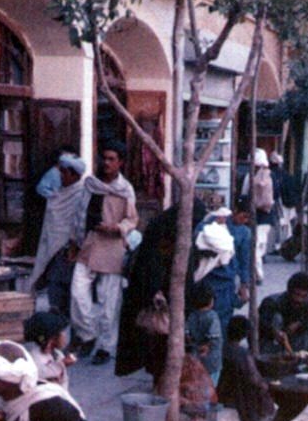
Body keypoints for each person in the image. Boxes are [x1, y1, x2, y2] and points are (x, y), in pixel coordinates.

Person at [115, 199, 207, 384]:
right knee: (158, 336)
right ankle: (160, 377)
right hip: (156, 292)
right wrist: (159, 291)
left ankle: (160, 374)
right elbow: (154, 263)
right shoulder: (164, 229)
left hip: (165, 289)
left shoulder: (172, 226)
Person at [69, 141, 138, 365]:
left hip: (112, 247)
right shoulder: (91, 184)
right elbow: (79, 214)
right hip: (89, 243)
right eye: (104, 158)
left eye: (111, 159)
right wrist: (74, 241)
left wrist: (117, 228)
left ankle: (106, 347)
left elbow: (132, 219)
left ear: (120, 163)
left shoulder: (125, 189)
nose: (106, 163)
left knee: (109, 304)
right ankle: (88, 334)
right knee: (78, 293)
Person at [27, 154, 86, 314]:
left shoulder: (82, 193)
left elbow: (80, 223)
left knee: (65, 289)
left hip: (68, 251)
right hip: (52, 247)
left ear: (74, 175)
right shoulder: (60, 193)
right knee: (53, 288)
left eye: (64, 173)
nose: (61, 177)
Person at [216, 315, 276, 421]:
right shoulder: (243, 353)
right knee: (265, 400)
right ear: (244, 335)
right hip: (240, 396)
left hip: (224, 392)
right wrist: (265, 385)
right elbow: (254, 378)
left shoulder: (223, 348)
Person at [195, 199, 251, 338]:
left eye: (248, 218)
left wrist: (244, 285)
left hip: (227, 283)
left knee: (222, 323)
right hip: (208, 278)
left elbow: (245, 261)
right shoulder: (212, 223)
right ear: (235, 210)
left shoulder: (245, 233)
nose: (244, 220)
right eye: (243, 216)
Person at [258, 272, 308, 369]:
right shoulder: (271, 302)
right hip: (270, 347)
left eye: (304, 296)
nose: (300, 299)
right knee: (278, 318)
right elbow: (261, 326)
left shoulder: (304, 302)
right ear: (289, 292)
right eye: (297, 294)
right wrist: (275, 332)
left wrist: (298, 324)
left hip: (292, 345)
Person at [241, 148, 274, 282]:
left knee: (254, 249)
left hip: (256, 217)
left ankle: (258, 274)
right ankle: (256, 273)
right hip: (266, 217)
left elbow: (243, 195)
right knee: (259, 247)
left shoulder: (251, 177)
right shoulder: (271, 175)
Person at [23, 309, 76, 389]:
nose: (64, 336)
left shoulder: (57, 354)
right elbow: (41, 373)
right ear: (50, 339)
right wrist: (61, 365)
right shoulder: (36, 358)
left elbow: (63, 382)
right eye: (61, 333)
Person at [185, 282, 223, 386]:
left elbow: (187, 334)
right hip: (212, 361)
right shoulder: (213, 316)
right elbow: (213, 337)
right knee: (210, 387)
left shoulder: (191, 316)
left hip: (195, 357)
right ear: (211, 301)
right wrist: (206, 346)